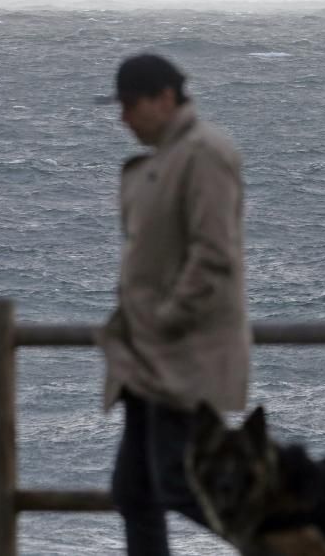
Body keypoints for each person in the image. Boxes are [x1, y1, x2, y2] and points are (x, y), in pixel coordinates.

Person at [98, 53, 250, 555]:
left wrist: (166, 320)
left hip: (181, 351)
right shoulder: (161, 159)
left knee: (178, 483)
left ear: (165, 98)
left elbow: (214, 255)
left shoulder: (204, 153)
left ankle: (290, 545)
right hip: (146, 357)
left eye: (130, 104)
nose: (123, 117)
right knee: (135, 489)